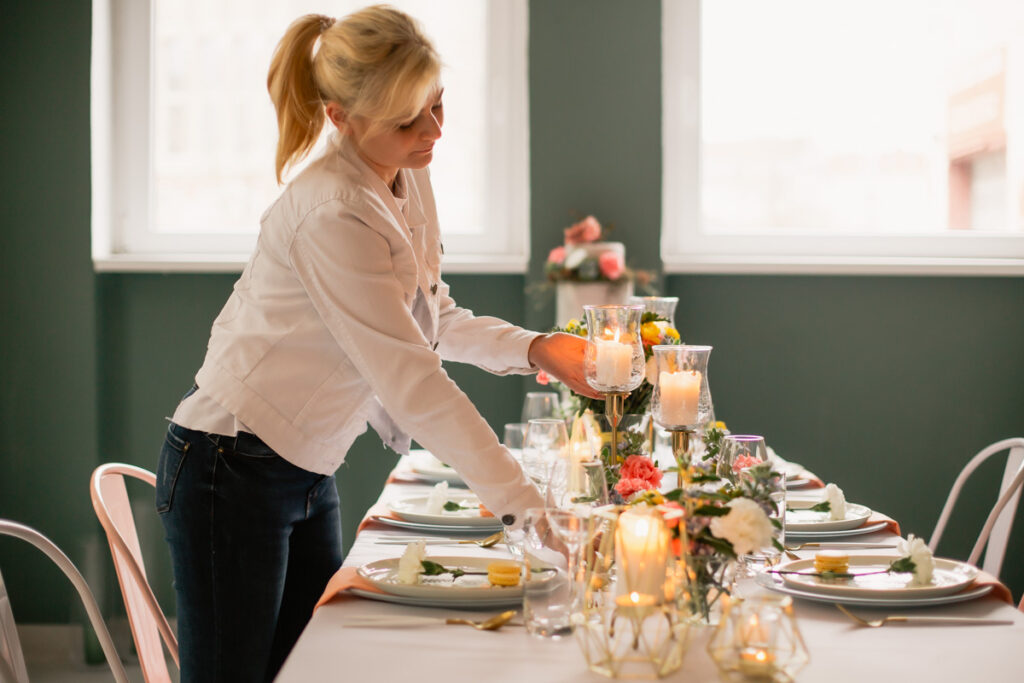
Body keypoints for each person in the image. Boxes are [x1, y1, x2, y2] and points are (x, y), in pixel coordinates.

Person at [156, 6, 598, 682]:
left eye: (438, 106)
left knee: (307, 666)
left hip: (305, 465)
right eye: (407, 121)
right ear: (340, 117)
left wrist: (539, 348)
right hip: (231, 465)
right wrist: (525, 507)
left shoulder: (403, 168)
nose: (433, 133)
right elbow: (411, 382)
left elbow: (430, 314)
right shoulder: (332, 210)